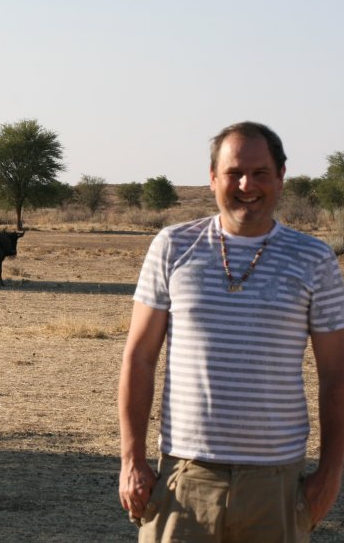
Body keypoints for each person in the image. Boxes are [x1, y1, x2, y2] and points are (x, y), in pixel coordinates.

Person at [118, 121, 344, 542]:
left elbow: (336, 373)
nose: (246, 184)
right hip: (184, 480)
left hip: (276, 484)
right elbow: (139, 356)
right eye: (234, 173)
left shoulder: (314, 259)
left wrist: (331, 472)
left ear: (281, 177)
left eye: (260, 173)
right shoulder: (172, 246)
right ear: (212, 179)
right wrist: (132, 459)